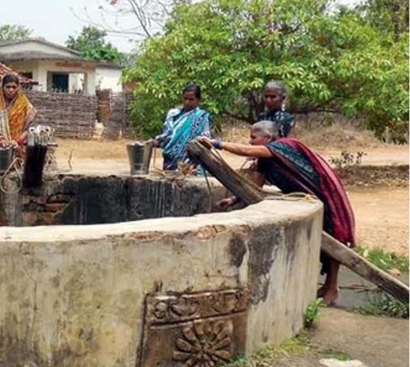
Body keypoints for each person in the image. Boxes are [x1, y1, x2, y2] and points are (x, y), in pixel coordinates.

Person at [201, 121, 355, 306]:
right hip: (310, 197)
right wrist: (233, 200)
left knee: (332, 242)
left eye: (253, 138)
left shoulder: (282, 147)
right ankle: (328, 286)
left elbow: (247, 152)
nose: (250, 142)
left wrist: (217, 144)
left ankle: (332, 288)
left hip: (324, 195)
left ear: (267, 137)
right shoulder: (265, 160)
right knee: (322, 247)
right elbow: (254, 187)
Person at [150, 83, 214, 171]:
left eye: (191, 99)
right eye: (185, 98)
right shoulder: (173, 115)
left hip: (190, 167)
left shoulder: (202, 118)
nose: (187, 102)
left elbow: (206, 143)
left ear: (198, 100)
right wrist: (155, 143)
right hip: (169, 163)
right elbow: (167, 139)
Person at [0, 73, 36, 160]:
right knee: (1, 171)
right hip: (1, 149)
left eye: (14, 87)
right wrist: (0, 140)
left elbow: (30, 127)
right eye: (8, 87)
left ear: (18, 88)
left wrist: (19, 141)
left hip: (20, 148)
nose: (11, 90)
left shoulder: (24, 104)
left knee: (20, 170)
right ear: (2, 88)